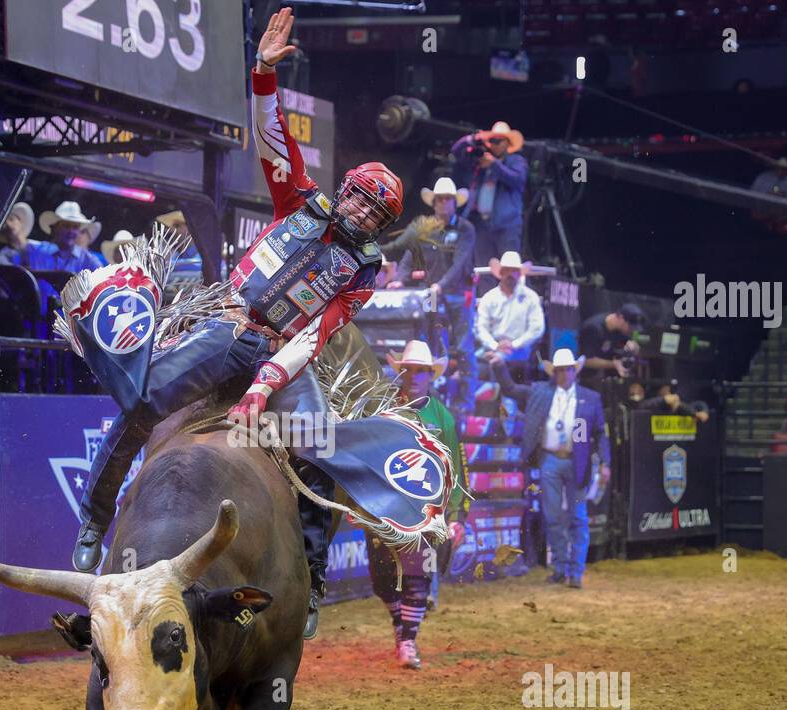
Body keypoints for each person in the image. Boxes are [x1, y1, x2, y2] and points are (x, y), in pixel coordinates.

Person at [70, 6, 404, 642]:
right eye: (360, 196)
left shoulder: (362, 271)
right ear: (347, 188)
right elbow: (274, 139)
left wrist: (261, 388)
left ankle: (310, 574)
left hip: (283, 353)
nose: (362, 210)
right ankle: (93, 520)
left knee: (318, 450)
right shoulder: (300, 200)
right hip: (230, 324)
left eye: (376, 211)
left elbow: (317, 332)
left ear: (381, 226)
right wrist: (262, 74)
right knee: (141, 399)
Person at [365, 341, 467, 669]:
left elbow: (456, 470)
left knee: (419, 575)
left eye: (421, 371)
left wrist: (456, 516)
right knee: (382, 581)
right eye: (409, 370)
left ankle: (408, 640)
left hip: (426, 511)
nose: (414, 376)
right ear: (401, 372)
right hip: (385, 506)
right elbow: (368, 459)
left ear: (430, 375)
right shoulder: (384, 411)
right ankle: (402, 627)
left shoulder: (443, 419)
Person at [490, 349, 610, 589]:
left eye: (567, 369)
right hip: (551, 459)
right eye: (560, 369)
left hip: (578, 461)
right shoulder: (540, 392)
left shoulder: (590, 398)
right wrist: (499, 366)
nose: (564, 373)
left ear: (574, 371)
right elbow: (511, 389)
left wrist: (605, 462)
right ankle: (560, 568)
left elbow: (600, 434)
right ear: (554, 372)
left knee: (578, 517)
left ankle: (575, 572)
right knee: (554, 517)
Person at [381, 176, 475, 361]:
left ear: (455, 202)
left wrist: (441, 285)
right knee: (429, 337)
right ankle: (435, 385)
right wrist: (400, 279)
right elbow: (410, 256)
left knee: (463, 344)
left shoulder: (465, 229)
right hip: (430, 293)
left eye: (448, 198)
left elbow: (460, 263)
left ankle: (466, 389)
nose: (444, 202)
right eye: (440, 198)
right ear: (434, 203)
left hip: (458, 292)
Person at [449, 120, 528, 270]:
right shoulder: (482, 161)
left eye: (498, 141)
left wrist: (494, 165)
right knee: (483, 269)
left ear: (507, 143)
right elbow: (456, 152)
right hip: (482, 224)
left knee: (510, 268)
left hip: (507, 225)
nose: (494, 144)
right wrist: (471, 140)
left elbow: (516, 179)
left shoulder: (517, 161)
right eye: (492, 140)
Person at [473, 250, 545, 369]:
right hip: (492, 348)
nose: (510, 274)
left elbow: (537, 328)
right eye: (507, 270)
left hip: (520, 350)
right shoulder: (489, 297)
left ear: (519, 273)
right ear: (501, 272)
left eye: (514, 271)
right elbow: (480, 328)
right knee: (473, 364)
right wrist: (495, 346)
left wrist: (514, 344)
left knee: (493, 362)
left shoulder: (530, 297)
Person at [578, 303, 641, 387]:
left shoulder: (619, 330)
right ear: (621, 318)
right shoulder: (593, 328)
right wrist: (614, 364)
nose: (631, 330)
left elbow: (633, 345)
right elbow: (587, 361)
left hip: (604, 377)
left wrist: (633, 346)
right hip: (584, 378)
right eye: (630, 327)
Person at [36, 200, 104, 273]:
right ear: (54, 228)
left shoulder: (88, 260)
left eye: (75, 227)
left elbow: (104, 279)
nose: (71, 231)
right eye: (66, 226)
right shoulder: (37, 251)